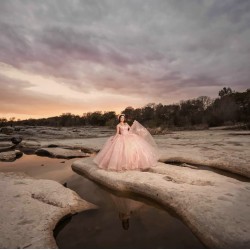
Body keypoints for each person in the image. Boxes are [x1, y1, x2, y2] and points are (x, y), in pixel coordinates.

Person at [92, 113, 160, 171]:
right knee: (122, 151)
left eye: (123, 118)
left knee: (133, 149)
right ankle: (123, 165)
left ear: (124, 119)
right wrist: (114, 139)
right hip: (122, 137)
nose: (122, 119)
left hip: (129, 136)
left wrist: (138, 131)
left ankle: (135, 164)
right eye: (121, 118)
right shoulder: (118, 125)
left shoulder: (126, 124)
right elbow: (117, 133)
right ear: (119, 119)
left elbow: (131, 130)